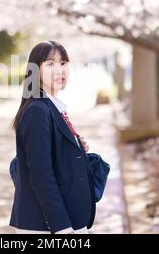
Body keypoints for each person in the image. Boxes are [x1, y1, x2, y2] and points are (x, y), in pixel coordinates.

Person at [9, 40, 95, 234]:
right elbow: (40, 173)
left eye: (63, 63)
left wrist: (76, 146)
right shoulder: (37, 110)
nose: (60, 70)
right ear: (35, 70)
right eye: (50, 64)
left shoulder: (51, 106)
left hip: (63, 217)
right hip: (48, 224)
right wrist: (62, 227)